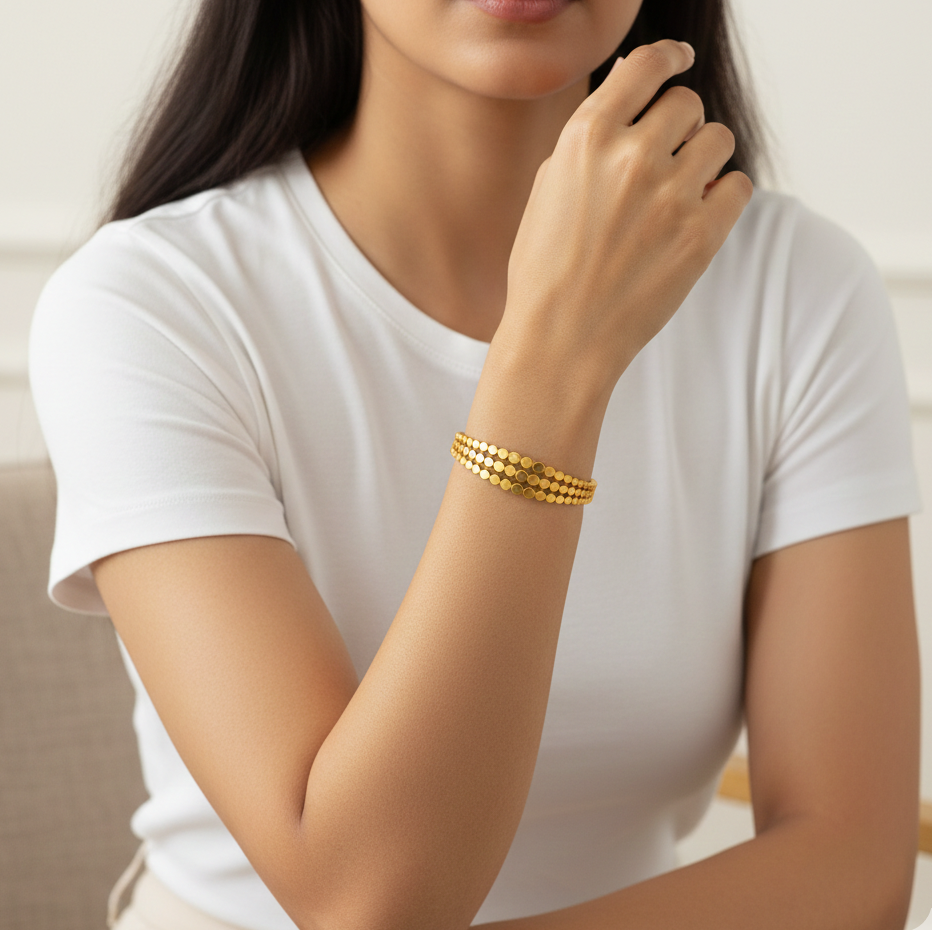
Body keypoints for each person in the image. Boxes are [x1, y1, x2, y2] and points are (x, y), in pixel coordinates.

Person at [28, 0, 922, 927]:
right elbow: (366, 898)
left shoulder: (796, 289)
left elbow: (851, 864)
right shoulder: (149, 307)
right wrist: (555, 359)